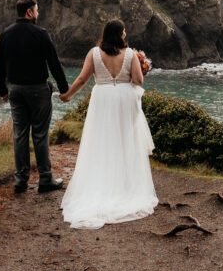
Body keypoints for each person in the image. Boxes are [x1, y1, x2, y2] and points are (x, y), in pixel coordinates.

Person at [59, 18, 158, 229]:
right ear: (120, 34)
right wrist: (140, 68)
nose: (125, 36)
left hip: (102, 99)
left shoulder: (94, 54)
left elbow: (83, 79)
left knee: (102, 140)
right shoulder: (130, 54)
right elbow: (138, 80)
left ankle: (102, 182)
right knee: (125, 140)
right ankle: (124, 186)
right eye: (123, 33)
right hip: (125, 100)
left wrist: (68, 95)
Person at [0, 0, 69, 194]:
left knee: (19, 134)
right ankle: (45, 179)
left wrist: (2, 90)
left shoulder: (6, 34)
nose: (38, 14)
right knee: (39, 134)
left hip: (15, 90)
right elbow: (54, 63)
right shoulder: (41, 33)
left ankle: (21, 181)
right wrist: (64, 89)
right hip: (38, 90)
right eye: (36, 10)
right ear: (29, 12)